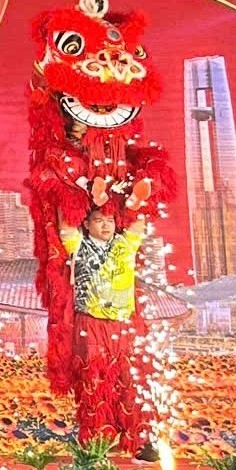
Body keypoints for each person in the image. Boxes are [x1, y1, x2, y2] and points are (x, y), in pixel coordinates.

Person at [63, 185, 155, 456]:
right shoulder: (78, 244)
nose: (106, 225)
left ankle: (138, 441)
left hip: (123, 325)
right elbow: (65, 223)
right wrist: (69, 188)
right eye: (99, 220)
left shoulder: (126, 244)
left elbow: (139, 216)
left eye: (110, 220)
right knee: (94, 380)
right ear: (86, 224)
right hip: (91, 324)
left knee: (130, 380)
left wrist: (136, 191)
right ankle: (97, 443)